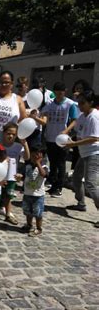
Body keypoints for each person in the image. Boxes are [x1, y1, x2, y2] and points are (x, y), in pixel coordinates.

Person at [65, 90, 99, 225]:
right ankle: (81, 203)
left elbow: (94, 138)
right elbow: (76, 123)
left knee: (90, 183)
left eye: (82, 103)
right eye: (78, 102)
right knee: (76, 178)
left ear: (91, 103)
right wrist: (66, 131)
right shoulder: (84, 115)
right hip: (84, 153)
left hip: (94, 153)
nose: (79, 105)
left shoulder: (94, 116)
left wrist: (73, 144)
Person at [40, 82, 78, 197]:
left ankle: (59, 188)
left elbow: (74, 120)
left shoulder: (69, 104)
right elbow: (43, 113)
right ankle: (53, 185)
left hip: (62, 139)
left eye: (61, 92)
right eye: (57, 92)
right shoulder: (50, 103)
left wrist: (67, 131)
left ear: (64, 91)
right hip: (50, 137)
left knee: (61, 163)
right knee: (53, 163)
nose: (59, 94)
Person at [21, 144, 49, 236]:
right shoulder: (28, 166)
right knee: (28, 211)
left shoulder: (44, 167)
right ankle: (29, 225)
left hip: (38, 196)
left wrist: (38, 163)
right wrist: (20, 177)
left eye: (37, 156)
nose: (34, 158)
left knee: (38, 213)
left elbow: (43, 174)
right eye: (33, 156)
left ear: (42, 157)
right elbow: (25, 177)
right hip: (27, 194)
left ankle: (38, 228)